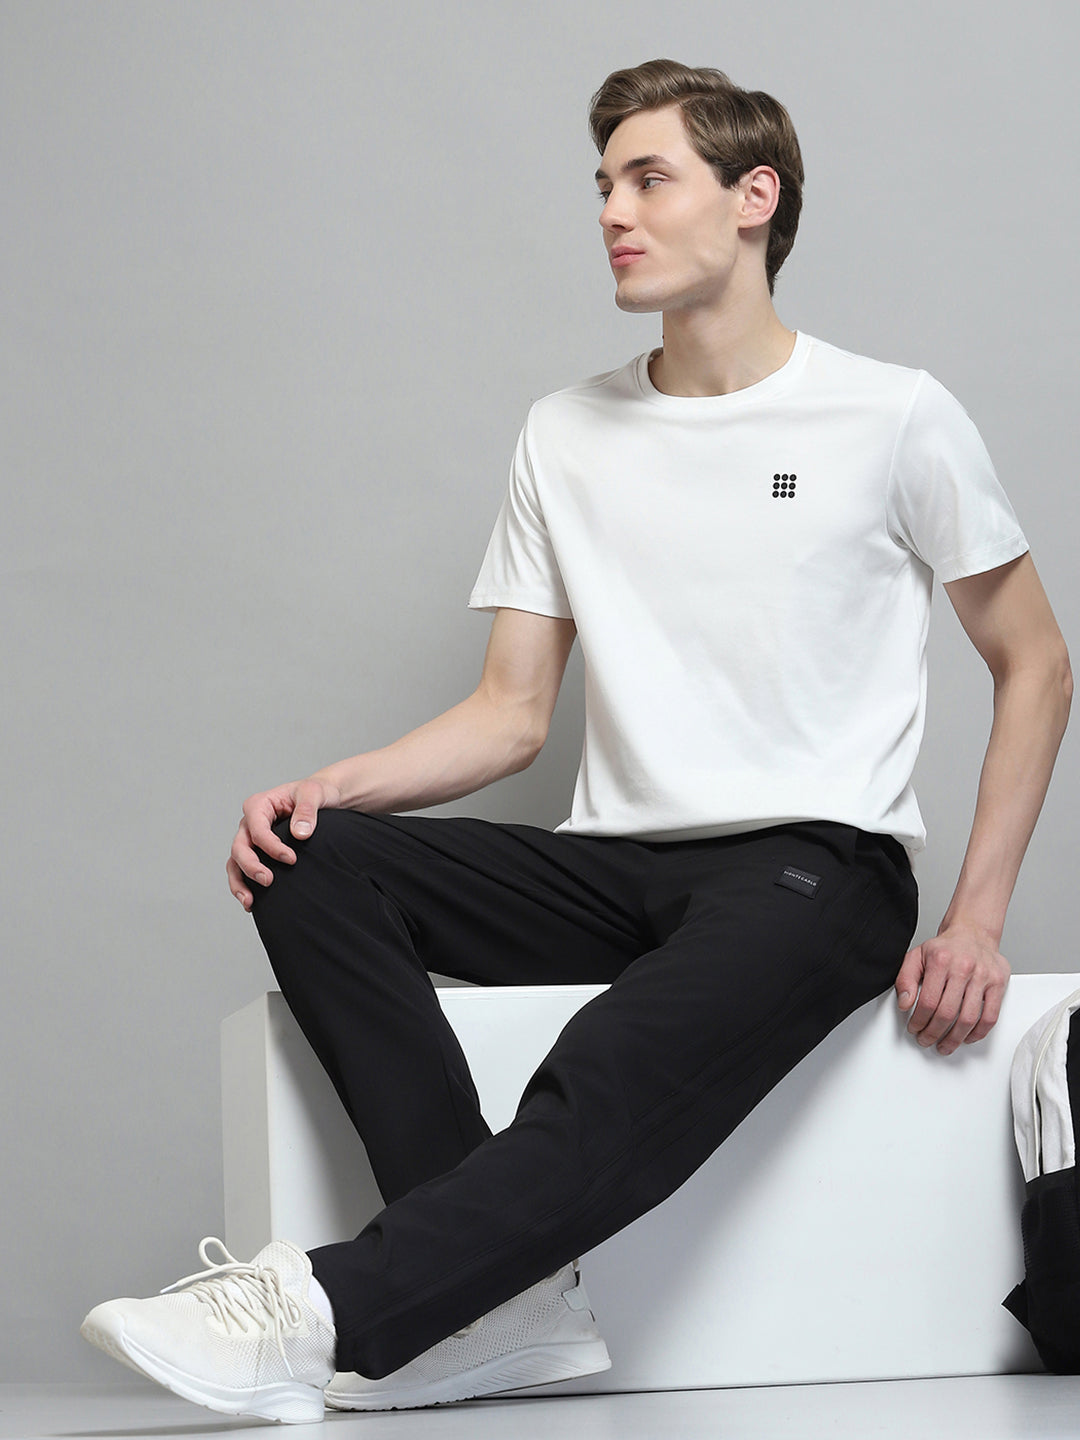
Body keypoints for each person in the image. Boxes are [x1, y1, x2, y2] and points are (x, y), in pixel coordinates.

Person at [81, 58, 1071, 1425]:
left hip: (816, 870)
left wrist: (975, 920)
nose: (612, 210)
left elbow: (1036, 662)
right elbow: (511, 713)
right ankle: (502, 1309)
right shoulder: (567, 431)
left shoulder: (892, 414)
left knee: (605, 1064)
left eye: (649, 178)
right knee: (312, 861)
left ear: (753, 198)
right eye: (603, 183)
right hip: (619, 867)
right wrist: (326, 790)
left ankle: (328, 1312)